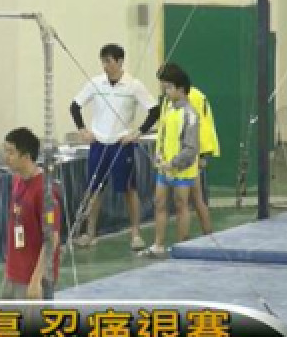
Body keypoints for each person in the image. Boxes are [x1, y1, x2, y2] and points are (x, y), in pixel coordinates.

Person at [69, 44, 158, 249]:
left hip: (121, 145)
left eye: (108, 61)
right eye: (103, 61)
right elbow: (74, 106)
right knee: (94, 190)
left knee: (129, 190)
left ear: (119, 61)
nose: (105, 65)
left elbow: (154, 110)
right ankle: (90, 234)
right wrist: (83, 130)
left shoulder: (133, 85)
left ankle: (135, 234)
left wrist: (137, 133)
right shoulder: (95, 83)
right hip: (98, 144)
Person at [0, 127, 60, 337]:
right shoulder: (17, 179)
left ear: (26, 156)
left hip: (34, 277)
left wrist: (36, 280)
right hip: (13, 272)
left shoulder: (45, 190)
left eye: (10, 152)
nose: (5, 156)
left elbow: (52, 238)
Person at [139, 66, 200, 257]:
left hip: (182, 170)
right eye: (164, 87)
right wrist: (158, 155)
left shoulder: (191, 114)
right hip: (164, 169)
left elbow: (191, 148)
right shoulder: (168, 109)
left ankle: (182, 246)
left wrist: (173, 163)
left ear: (181, 89)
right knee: (159, 203)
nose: (166, 92)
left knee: (181, 205)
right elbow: (162, 136)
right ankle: (158, 244)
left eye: (169, 88)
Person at [157, 63, 220, 236]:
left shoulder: (195, 97)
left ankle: (208, 233)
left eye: (165, 83)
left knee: (196, 199)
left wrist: (204, 154)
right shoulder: (168, 100)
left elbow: (204, 125)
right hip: (173, 156)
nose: (163, 88)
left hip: (191, 156)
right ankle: (207, 233)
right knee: (195, 198)